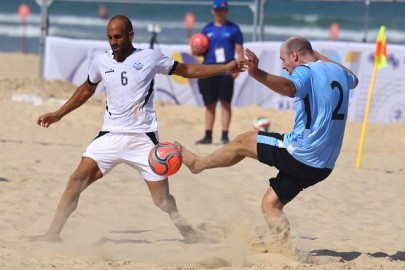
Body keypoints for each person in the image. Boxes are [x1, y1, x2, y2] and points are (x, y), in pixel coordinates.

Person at [20, 15, 240, 243]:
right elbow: (86, 89)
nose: (113, 42)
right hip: (110, 135)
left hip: (143, 139)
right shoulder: (101, 61)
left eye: (118, 37)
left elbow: (186, 70)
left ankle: (188, 232)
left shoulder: (149, 57)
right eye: (109, 37)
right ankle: (52, 235)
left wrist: (225, 68)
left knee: (162, 201)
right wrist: (58, 114)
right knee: (76, 180)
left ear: (130, 36)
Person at [178, 36, 359, 252]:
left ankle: (198, 164)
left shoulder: (305, 70)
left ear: (295, 56)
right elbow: (354, 80)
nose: (284, 66)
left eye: (284, 60)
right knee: (270, 204)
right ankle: (283, 251)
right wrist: (319, 56)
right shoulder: (338, 72)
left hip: (301, 152)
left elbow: (289, 88)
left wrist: (257, 73)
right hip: (323, 166)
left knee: (243, 141)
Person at [192, 0, 244, 145]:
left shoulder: (234, 29)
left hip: (227, 70)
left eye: (222, 10)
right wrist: (195, 50)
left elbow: (240, 51)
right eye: (217, 10)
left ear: (226, 11)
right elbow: (198, 50)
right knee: (210, 104)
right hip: (208, 70)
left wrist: (238, 69)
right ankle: (208, 135)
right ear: (212, 11)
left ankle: (225, 135)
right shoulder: (207, 29)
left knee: (225, 103)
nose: (219, 13)